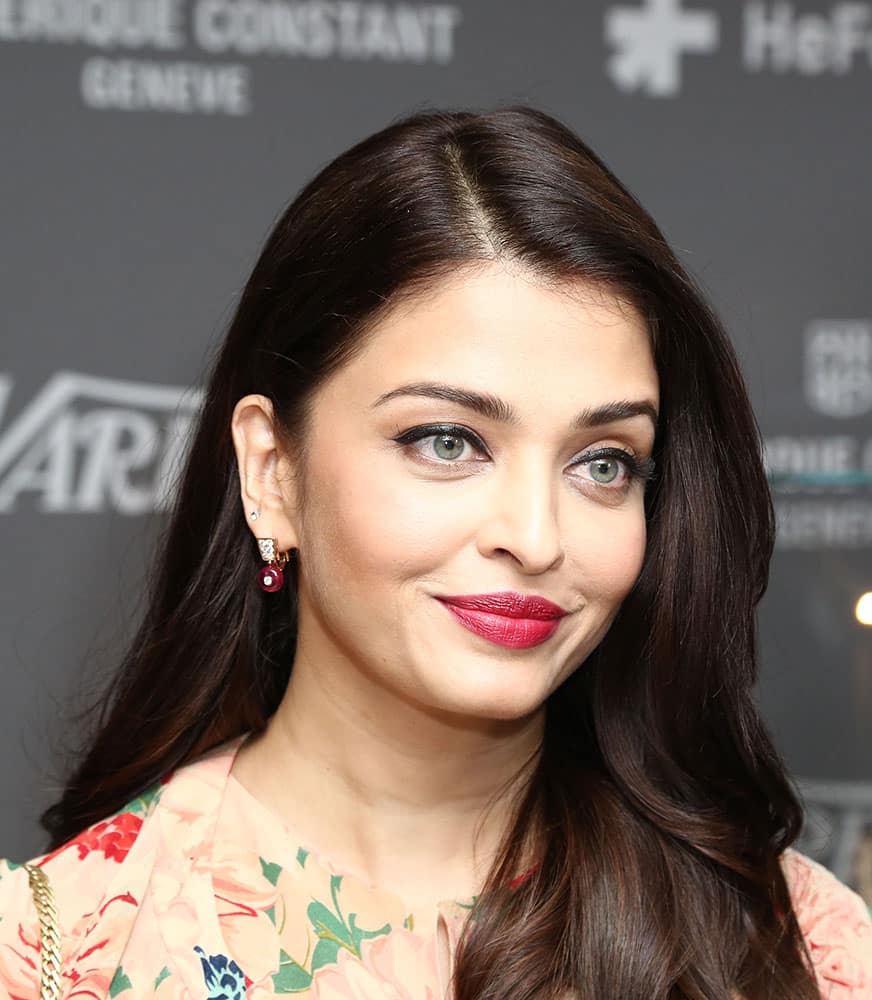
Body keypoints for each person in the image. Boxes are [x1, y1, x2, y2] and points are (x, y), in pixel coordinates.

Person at [1, 105, 870, 1000]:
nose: (535, 539)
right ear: (271, 471)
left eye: (602, 462)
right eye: (447, 442)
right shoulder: (64, 952)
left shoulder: (799, 951)